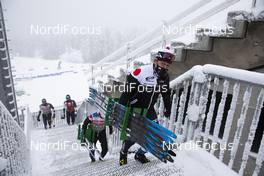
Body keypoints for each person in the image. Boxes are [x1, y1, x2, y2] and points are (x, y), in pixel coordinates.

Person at [119, 47, 174, 166]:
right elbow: (126, 92)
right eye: (162, 63)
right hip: (136, 109)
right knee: (134, 136)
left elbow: (166, 94)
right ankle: (123, 151)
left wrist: (168, 108)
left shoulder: (165, 77)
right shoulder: (141, 72)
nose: (164, 67)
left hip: (149, 109)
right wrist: (121, 109)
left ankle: (140, 154)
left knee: (155, 135)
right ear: (156, 61)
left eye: (167, 65)